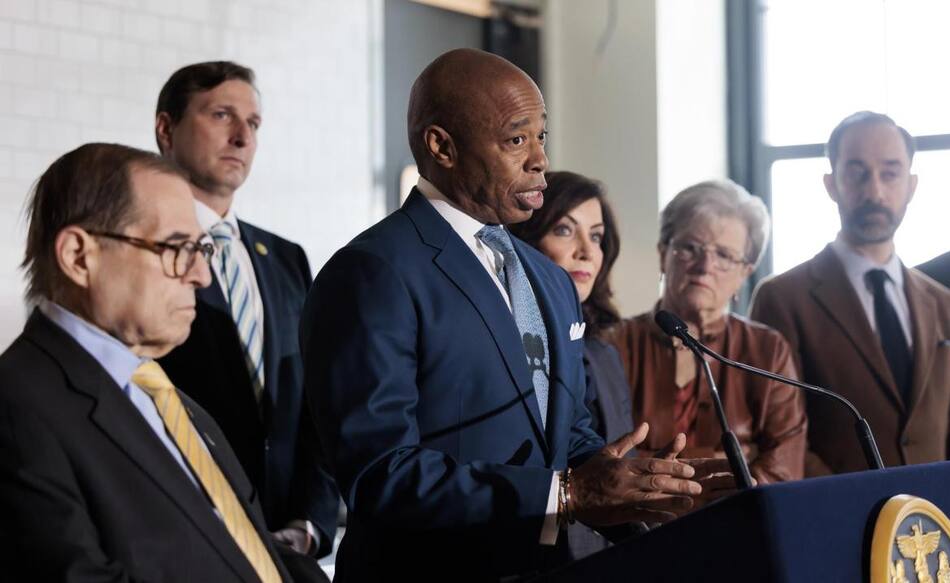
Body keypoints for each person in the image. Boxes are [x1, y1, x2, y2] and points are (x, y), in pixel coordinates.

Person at [300, 49, 729, 581]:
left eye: (542, 137)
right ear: (443, 146)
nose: (540, 160)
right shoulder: (372, 272)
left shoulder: (547, 278)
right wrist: (567, 493)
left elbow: (563, 427)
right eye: (516, 139)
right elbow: (380, 474)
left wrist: (629, 483)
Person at [0, 143, 291, 581]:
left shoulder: (170, 398)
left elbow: (253, 553)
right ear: (79, 256)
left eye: (202, 250)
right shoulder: (16, 406)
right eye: (177, 248)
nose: (201, 276)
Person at [154, 61, 338, 562]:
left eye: (253, 124)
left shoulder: (285, 258)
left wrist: (311, 523)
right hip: (184, 541)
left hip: (287, 547)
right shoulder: (142, 251)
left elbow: (314, 407)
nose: (241, 137)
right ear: (166, 129)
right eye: (221, 115)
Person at [751, 111, 950, 475]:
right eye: (857, 172)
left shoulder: (942, 304)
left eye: (890, 173)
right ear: (831, 184)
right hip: (835, 519)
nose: (874, 191)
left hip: (934, 521)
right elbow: (777, 435)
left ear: (912, 185)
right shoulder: (782, 298)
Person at [612, 179, 808, 486]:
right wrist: (727, 463)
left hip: (738, 525)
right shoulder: (614, 343)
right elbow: (603, 458)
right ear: (663, 254)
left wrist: (655, 462)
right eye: (690, 248)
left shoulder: (768, 350)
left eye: (724, 256)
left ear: (745, 273)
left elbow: (782, 471)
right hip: (636, 528)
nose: (705, 266)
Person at [508, 170, 635, 559]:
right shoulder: (509, 342)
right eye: (565, 230)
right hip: (524, 551)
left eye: (596, 236)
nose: (586, 250)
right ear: (528, 241)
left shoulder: (604, 352)